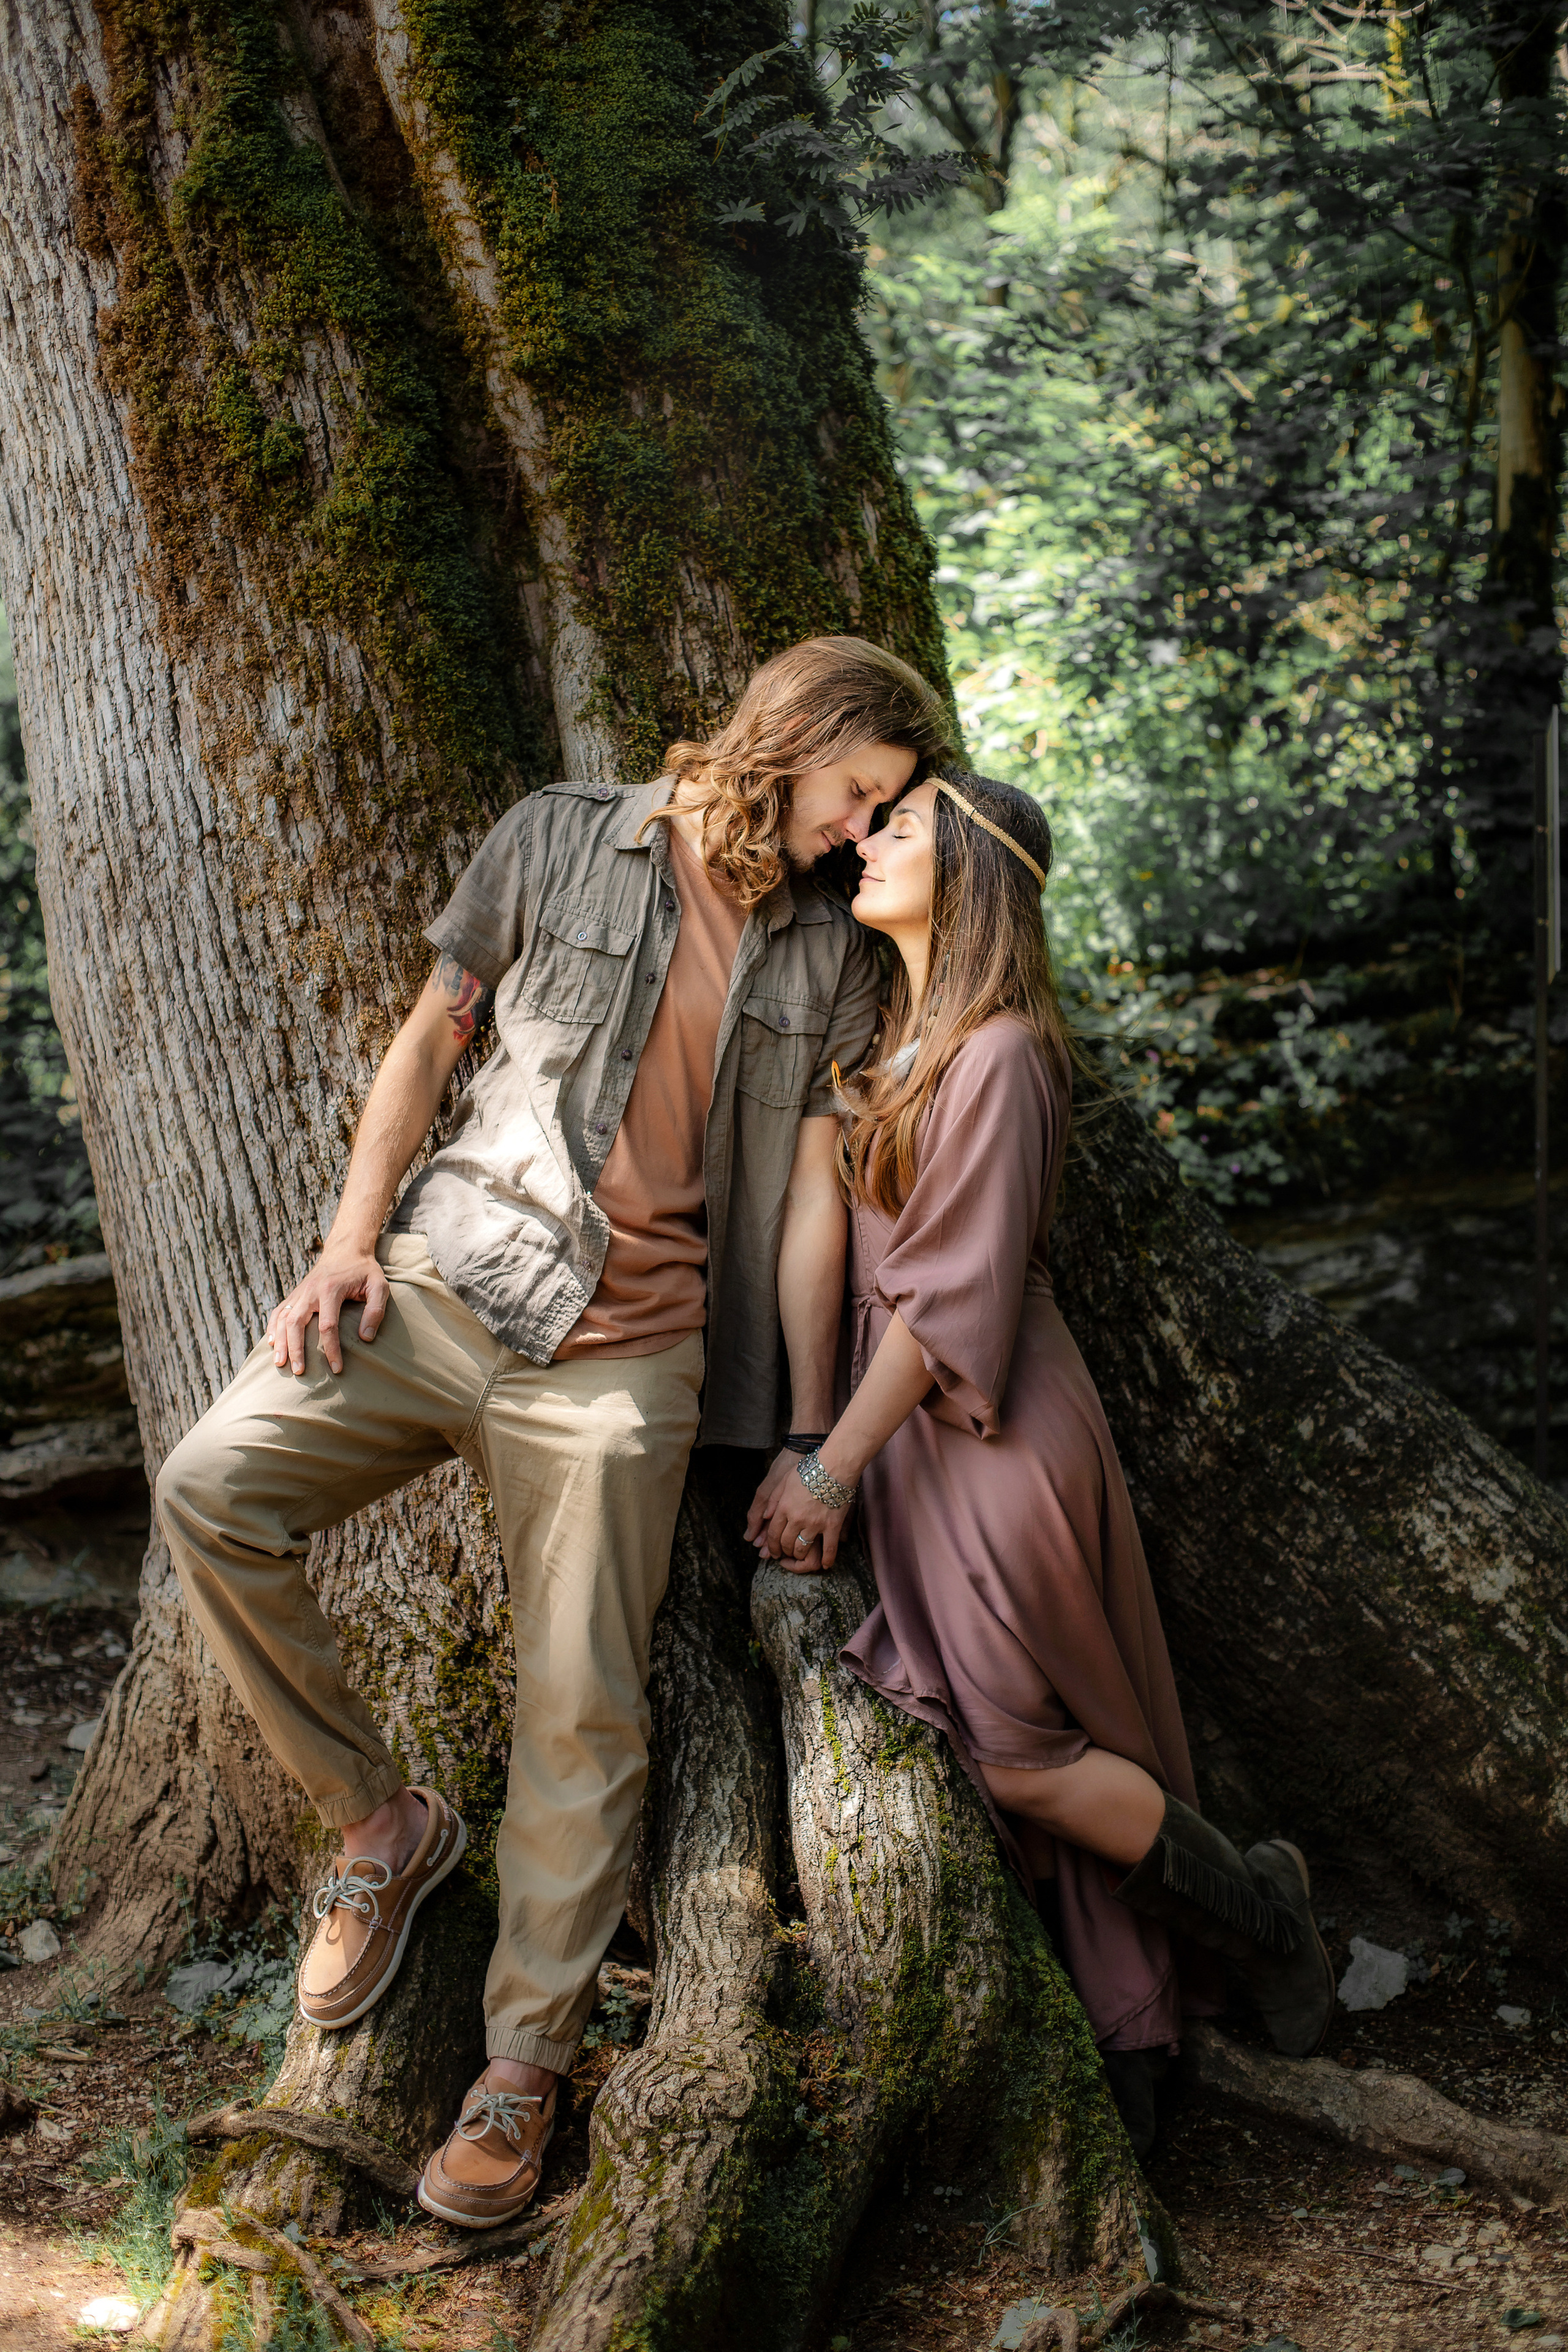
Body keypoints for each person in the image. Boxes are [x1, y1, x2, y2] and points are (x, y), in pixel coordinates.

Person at [155, 636, 954, 2226]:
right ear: (797, 735)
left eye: (885, 813)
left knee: (582, 1703)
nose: (861, 831)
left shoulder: (834, 949)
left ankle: (521, 2066)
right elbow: (430, 1034)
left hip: (630, 1362)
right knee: (206, 1488)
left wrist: (807, 1433)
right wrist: (345, 1244)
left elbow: (810, 1201)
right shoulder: (555, 835)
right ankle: (382, 1825)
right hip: (443, 1286)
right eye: (859, 792)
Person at [747, 766, 1335, 2157]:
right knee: (1001, 1741)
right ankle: (1126, 2041)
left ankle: (1264, 1915)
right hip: (897, 1435)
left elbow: (952, 1293)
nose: (867, 841)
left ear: (971, 872)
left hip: (991, 1429)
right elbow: (826, 1246)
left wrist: (828, 1469)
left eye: (901, 826)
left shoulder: (1003, 1051)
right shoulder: (886, 1045)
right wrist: (816, 1438)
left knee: (1018, 1752)